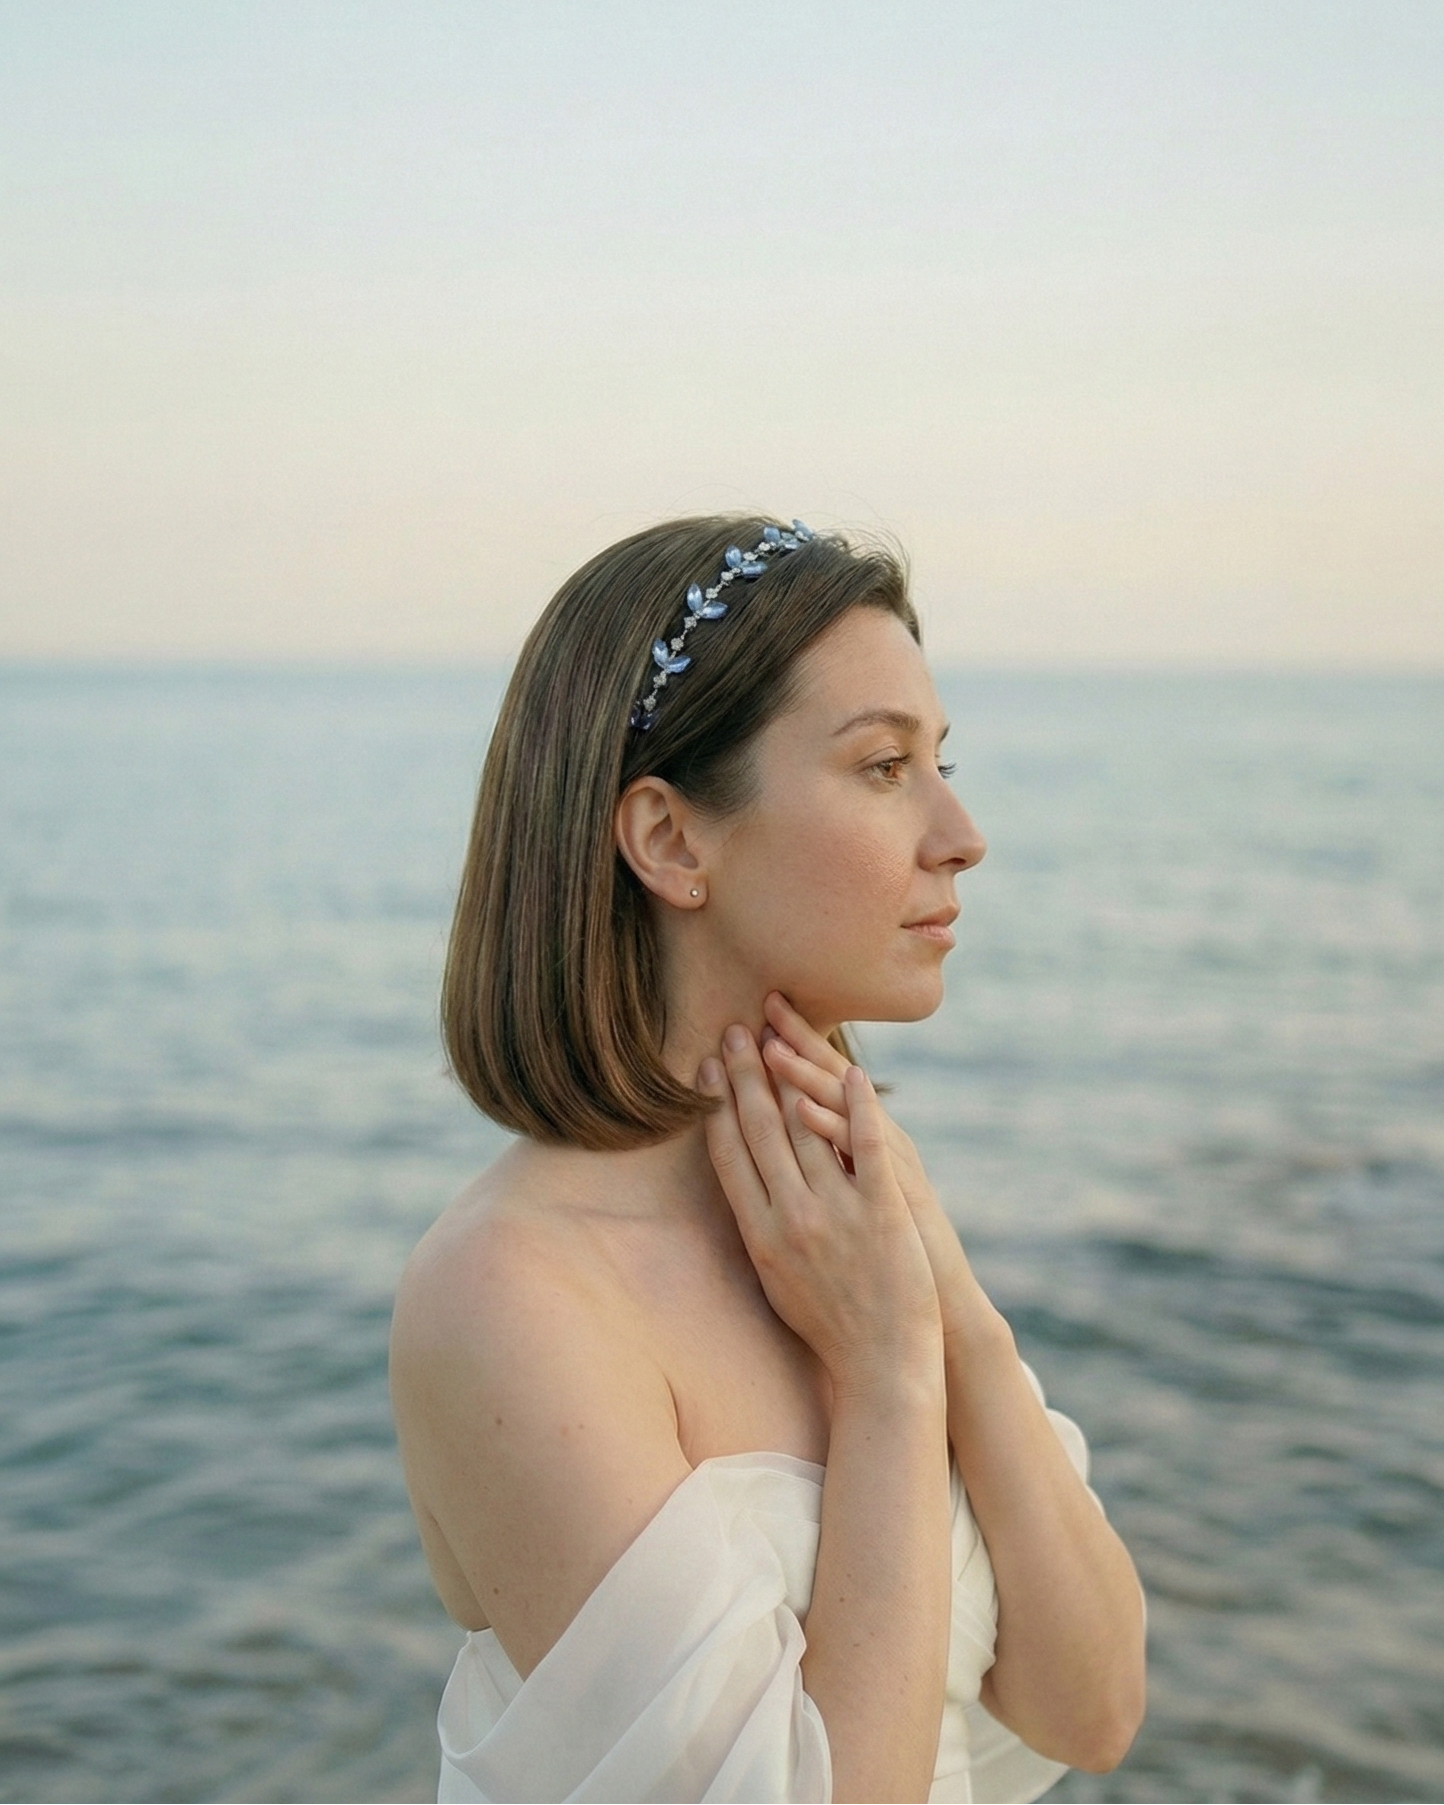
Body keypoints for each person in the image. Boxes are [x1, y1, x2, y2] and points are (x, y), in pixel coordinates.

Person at [390, 516, 1147, 1804]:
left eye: (941, 761)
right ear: (672, 841)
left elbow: (1095, 1711)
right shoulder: (511, 1295)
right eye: (885, 766)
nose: (961, 832)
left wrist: (950, 1315)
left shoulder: (851, 1220)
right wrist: (886, 1377)